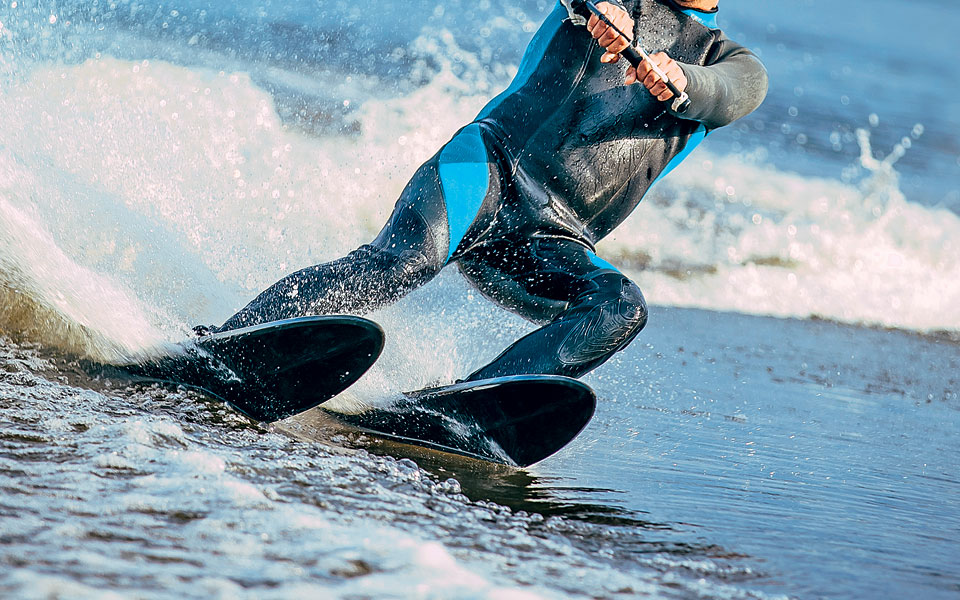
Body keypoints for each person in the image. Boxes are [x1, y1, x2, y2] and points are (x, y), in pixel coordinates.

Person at [213, 0, 768, 382]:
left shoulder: (732, 64)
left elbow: (728, 92)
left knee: (621, 306)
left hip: (553, 241)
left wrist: (680, 80)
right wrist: (601, 9)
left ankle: (461, 408)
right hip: (485, 171)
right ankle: (225, 343)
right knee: (399, 263)